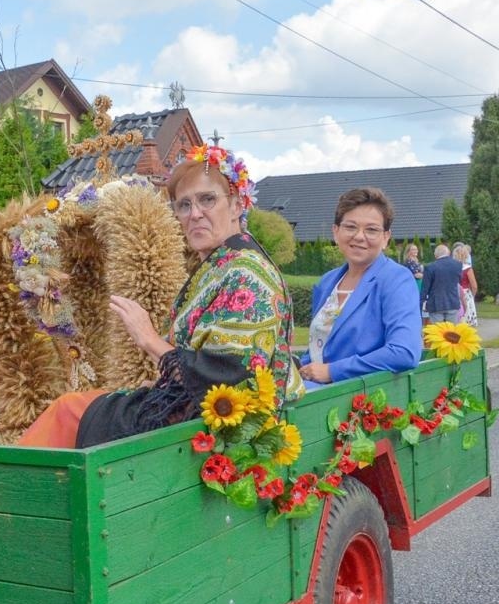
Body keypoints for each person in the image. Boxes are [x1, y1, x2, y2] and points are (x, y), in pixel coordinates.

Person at [19, 145, 304, 448]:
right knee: (80, 405)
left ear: (236, 206)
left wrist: (148, 338)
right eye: (184, 205)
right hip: (198, 409)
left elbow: (229, 374)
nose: (195, 214)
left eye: (207, 199)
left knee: (70, 411)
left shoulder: (245, 273)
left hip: (224, 426)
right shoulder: (223, 264)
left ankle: (4, 489)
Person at [297, 188, 421, 388]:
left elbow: (404, 351)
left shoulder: (396, 279)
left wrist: (332, 371)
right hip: (316, 392)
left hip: (361, 399)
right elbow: (320, 347)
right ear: (336, 232)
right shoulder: (327, 282)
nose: (359, 236)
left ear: (386, 238)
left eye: (371, 230)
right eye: (350, 227)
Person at [421, 244, 464, 324]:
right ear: (448, 253)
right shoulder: (458, 265)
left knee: (437, 332)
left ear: (435, 254)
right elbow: (459, 280)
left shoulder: (430, 267)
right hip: (452, 302)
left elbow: (425, 289)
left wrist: (421, 304)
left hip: (435, 304)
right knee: (451, 333)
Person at [453, 242, 480, 326]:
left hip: (454, 292)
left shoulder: (451, 267)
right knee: (467, 315)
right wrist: (473, 295)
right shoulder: (467, 269)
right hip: (465, 292)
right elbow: (474, 285)